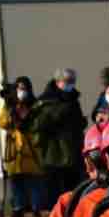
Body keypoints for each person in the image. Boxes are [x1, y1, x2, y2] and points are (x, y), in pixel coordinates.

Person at [33, 68, 88, 201]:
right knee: (57, 193)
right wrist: (60, 113)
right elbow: (39, 124)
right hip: (54, 155)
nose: (70, 84)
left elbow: (77, 123)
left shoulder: (73, 100)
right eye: (67, 81)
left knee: (75, 190)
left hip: (73, 153)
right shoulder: (46, 100)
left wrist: (81, 122)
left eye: (72, 81)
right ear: (58, 82)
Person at [0, 76, 45, 217]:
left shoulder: (36, 105)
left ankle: (37, 208)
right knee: (16, 181)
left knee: (34, 181)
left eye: (24, 89)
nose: (21, 92)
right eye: (19, 89)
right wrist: (9, 109)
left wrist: (27, 115)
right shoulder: (10, 105)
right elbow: (2, 122)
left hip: (31, 148)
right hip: (15, 150)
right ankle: (18, 208)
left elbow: (39, 123)